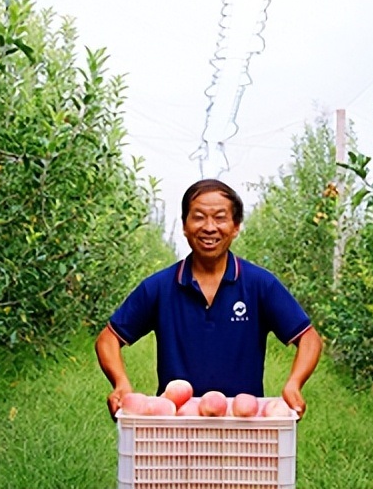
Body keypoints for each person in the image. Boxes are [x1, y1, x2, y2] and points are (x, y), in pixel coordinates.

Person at [95, 178, 323, 419]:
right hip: (174, 425)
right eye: (199, 216)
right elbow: (108, 339)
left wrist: (294, 384)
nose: (209, 227)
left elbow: (309, 339)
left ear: (235, 227)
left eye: (220, 217)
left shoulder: (259, 285)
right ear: (184, 225)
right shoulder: (160, 287)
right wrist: (120, 383)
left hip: (244, 425)